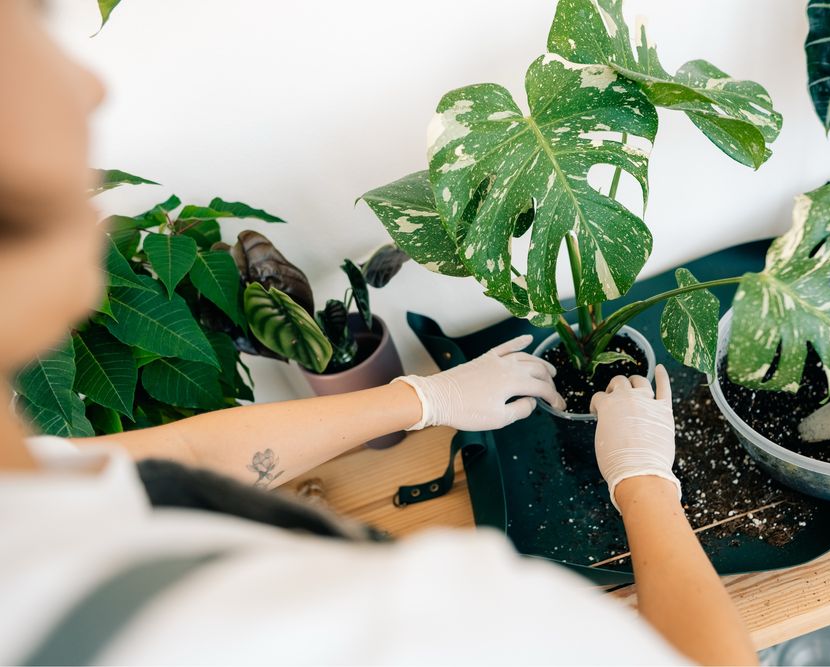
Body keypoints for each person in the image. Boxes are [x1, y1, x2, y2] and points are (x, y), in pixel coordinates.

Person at [0, 1, 757, 664]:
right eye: (32, 18)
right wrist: (644, 479)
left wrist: (417, 401)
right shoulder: (380, 623)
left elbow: (179, 463)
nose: (90, 85)